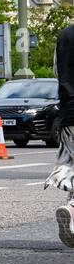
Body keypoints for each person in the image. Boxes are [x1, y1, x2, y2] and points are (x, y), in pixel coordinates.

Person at [46, 22, 74, 247]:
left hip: (68, 114)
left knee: (71, 165)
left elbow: (57, 71)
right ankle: (72, 210)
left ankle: (71, 215)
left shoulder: (64, 34)